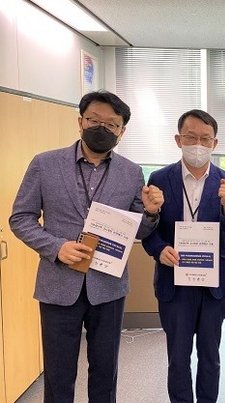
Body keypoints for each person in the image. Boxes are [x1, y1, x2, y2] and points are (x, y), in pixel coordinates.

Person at [9, 90, 164, 403]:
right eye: (94, 120)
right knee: (58, 374)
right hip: (58, 285)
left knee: (105, 372)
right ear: (80, 121)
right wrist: (55, 247)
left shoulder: (131, 172)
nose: (101, 128)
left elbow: (138, 229)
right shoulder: (45, 164)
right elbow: (20, 218)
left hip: (108, 287)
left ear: (122, 131)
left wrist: (150, 213)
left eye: (111, 124)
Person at [141, 109, 225, 403]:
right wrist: (159, 250)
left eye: (205, 139)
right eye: (191, 137)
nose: (198, 144)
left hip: (213, 284)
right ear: (178, 140)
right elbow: (148, 228)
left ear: (214, 143)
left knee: (210, 356)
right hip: (174, 281)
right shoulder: (159, 178)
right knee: (178, 356)